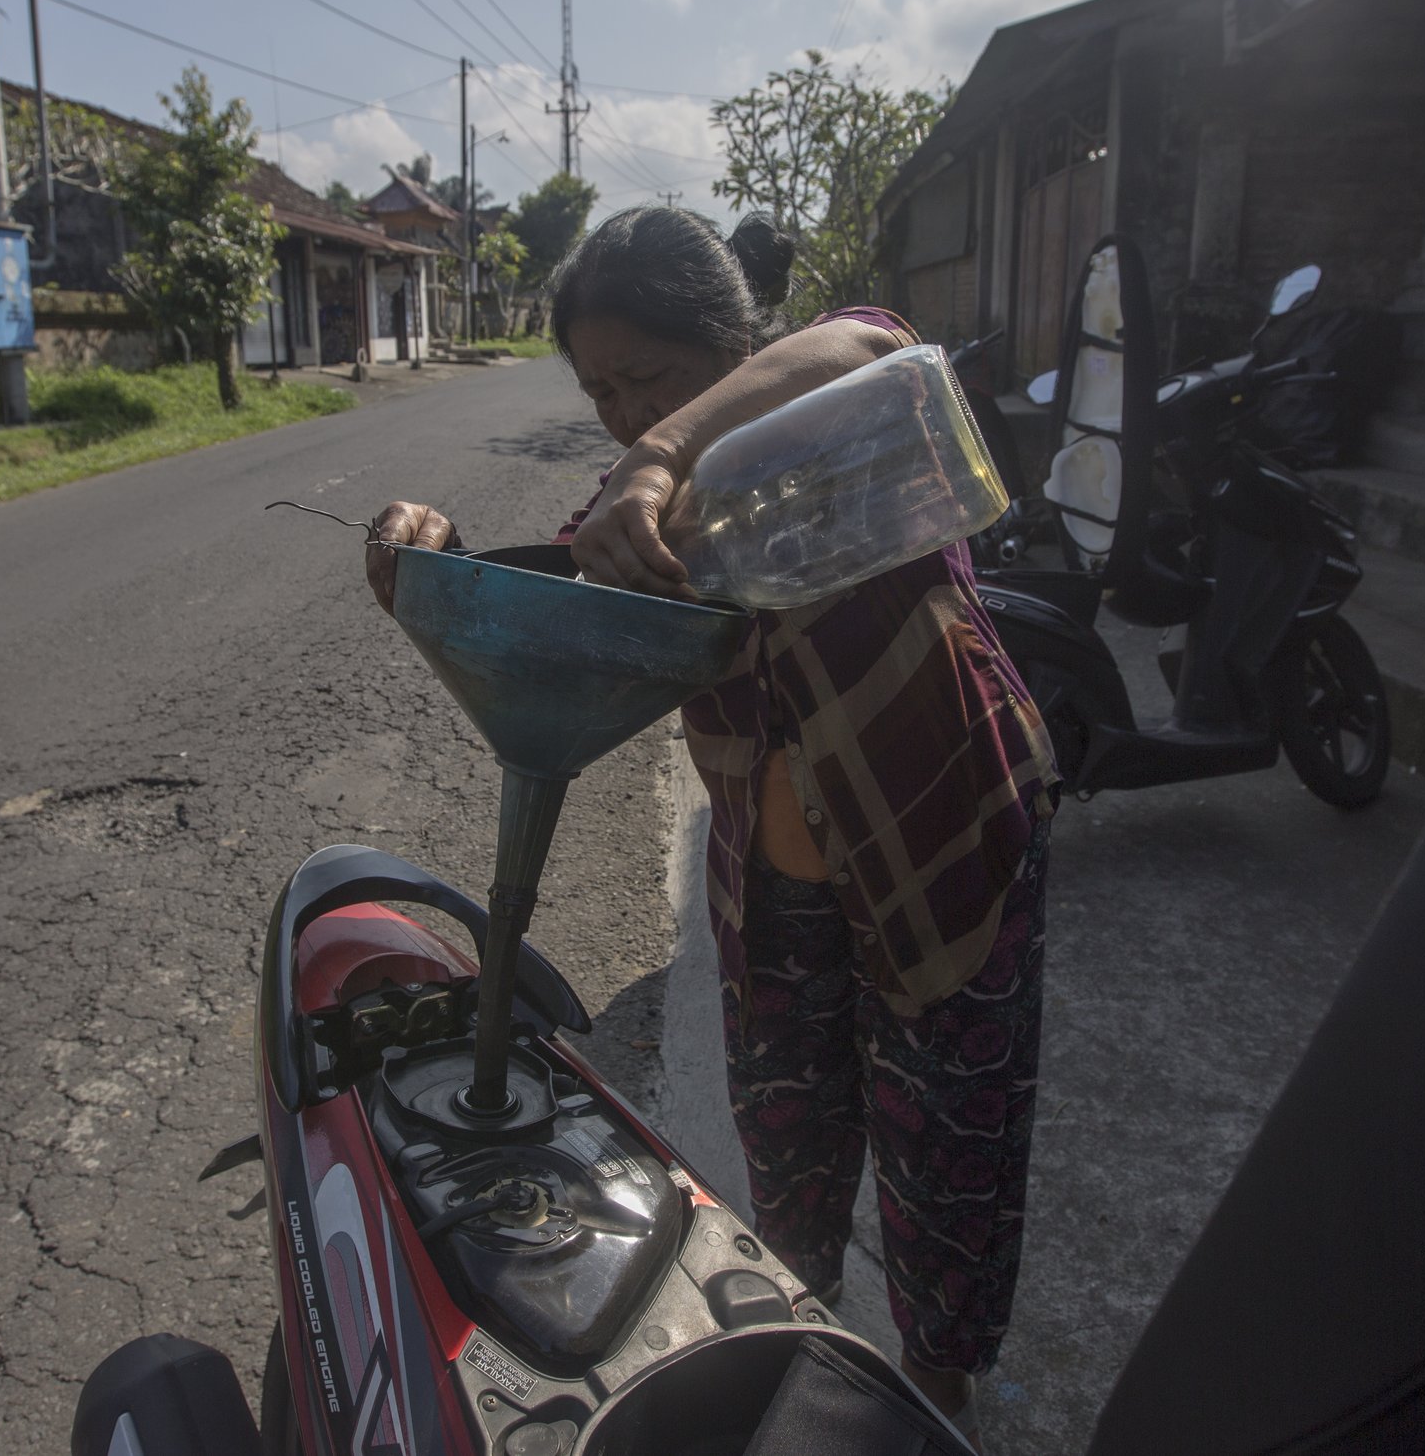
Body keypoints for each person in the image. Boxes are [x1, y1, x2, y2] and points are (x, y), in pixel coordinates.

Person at [365, 207, 1055, 1444]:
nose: (625, 415)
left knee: (950, 1176)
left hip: (944, 858)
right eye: (601, 392)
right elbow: (543, 626)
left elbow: (871, 334)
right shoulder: (629, 524)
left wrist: (662, 451)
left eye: (650, 377)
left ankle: (936, 1407)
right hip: (773, 901)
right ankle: (814, 1375)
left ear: (729, 336)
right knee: (785, 1177)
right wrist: (431, 565)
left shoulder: (847, 397)